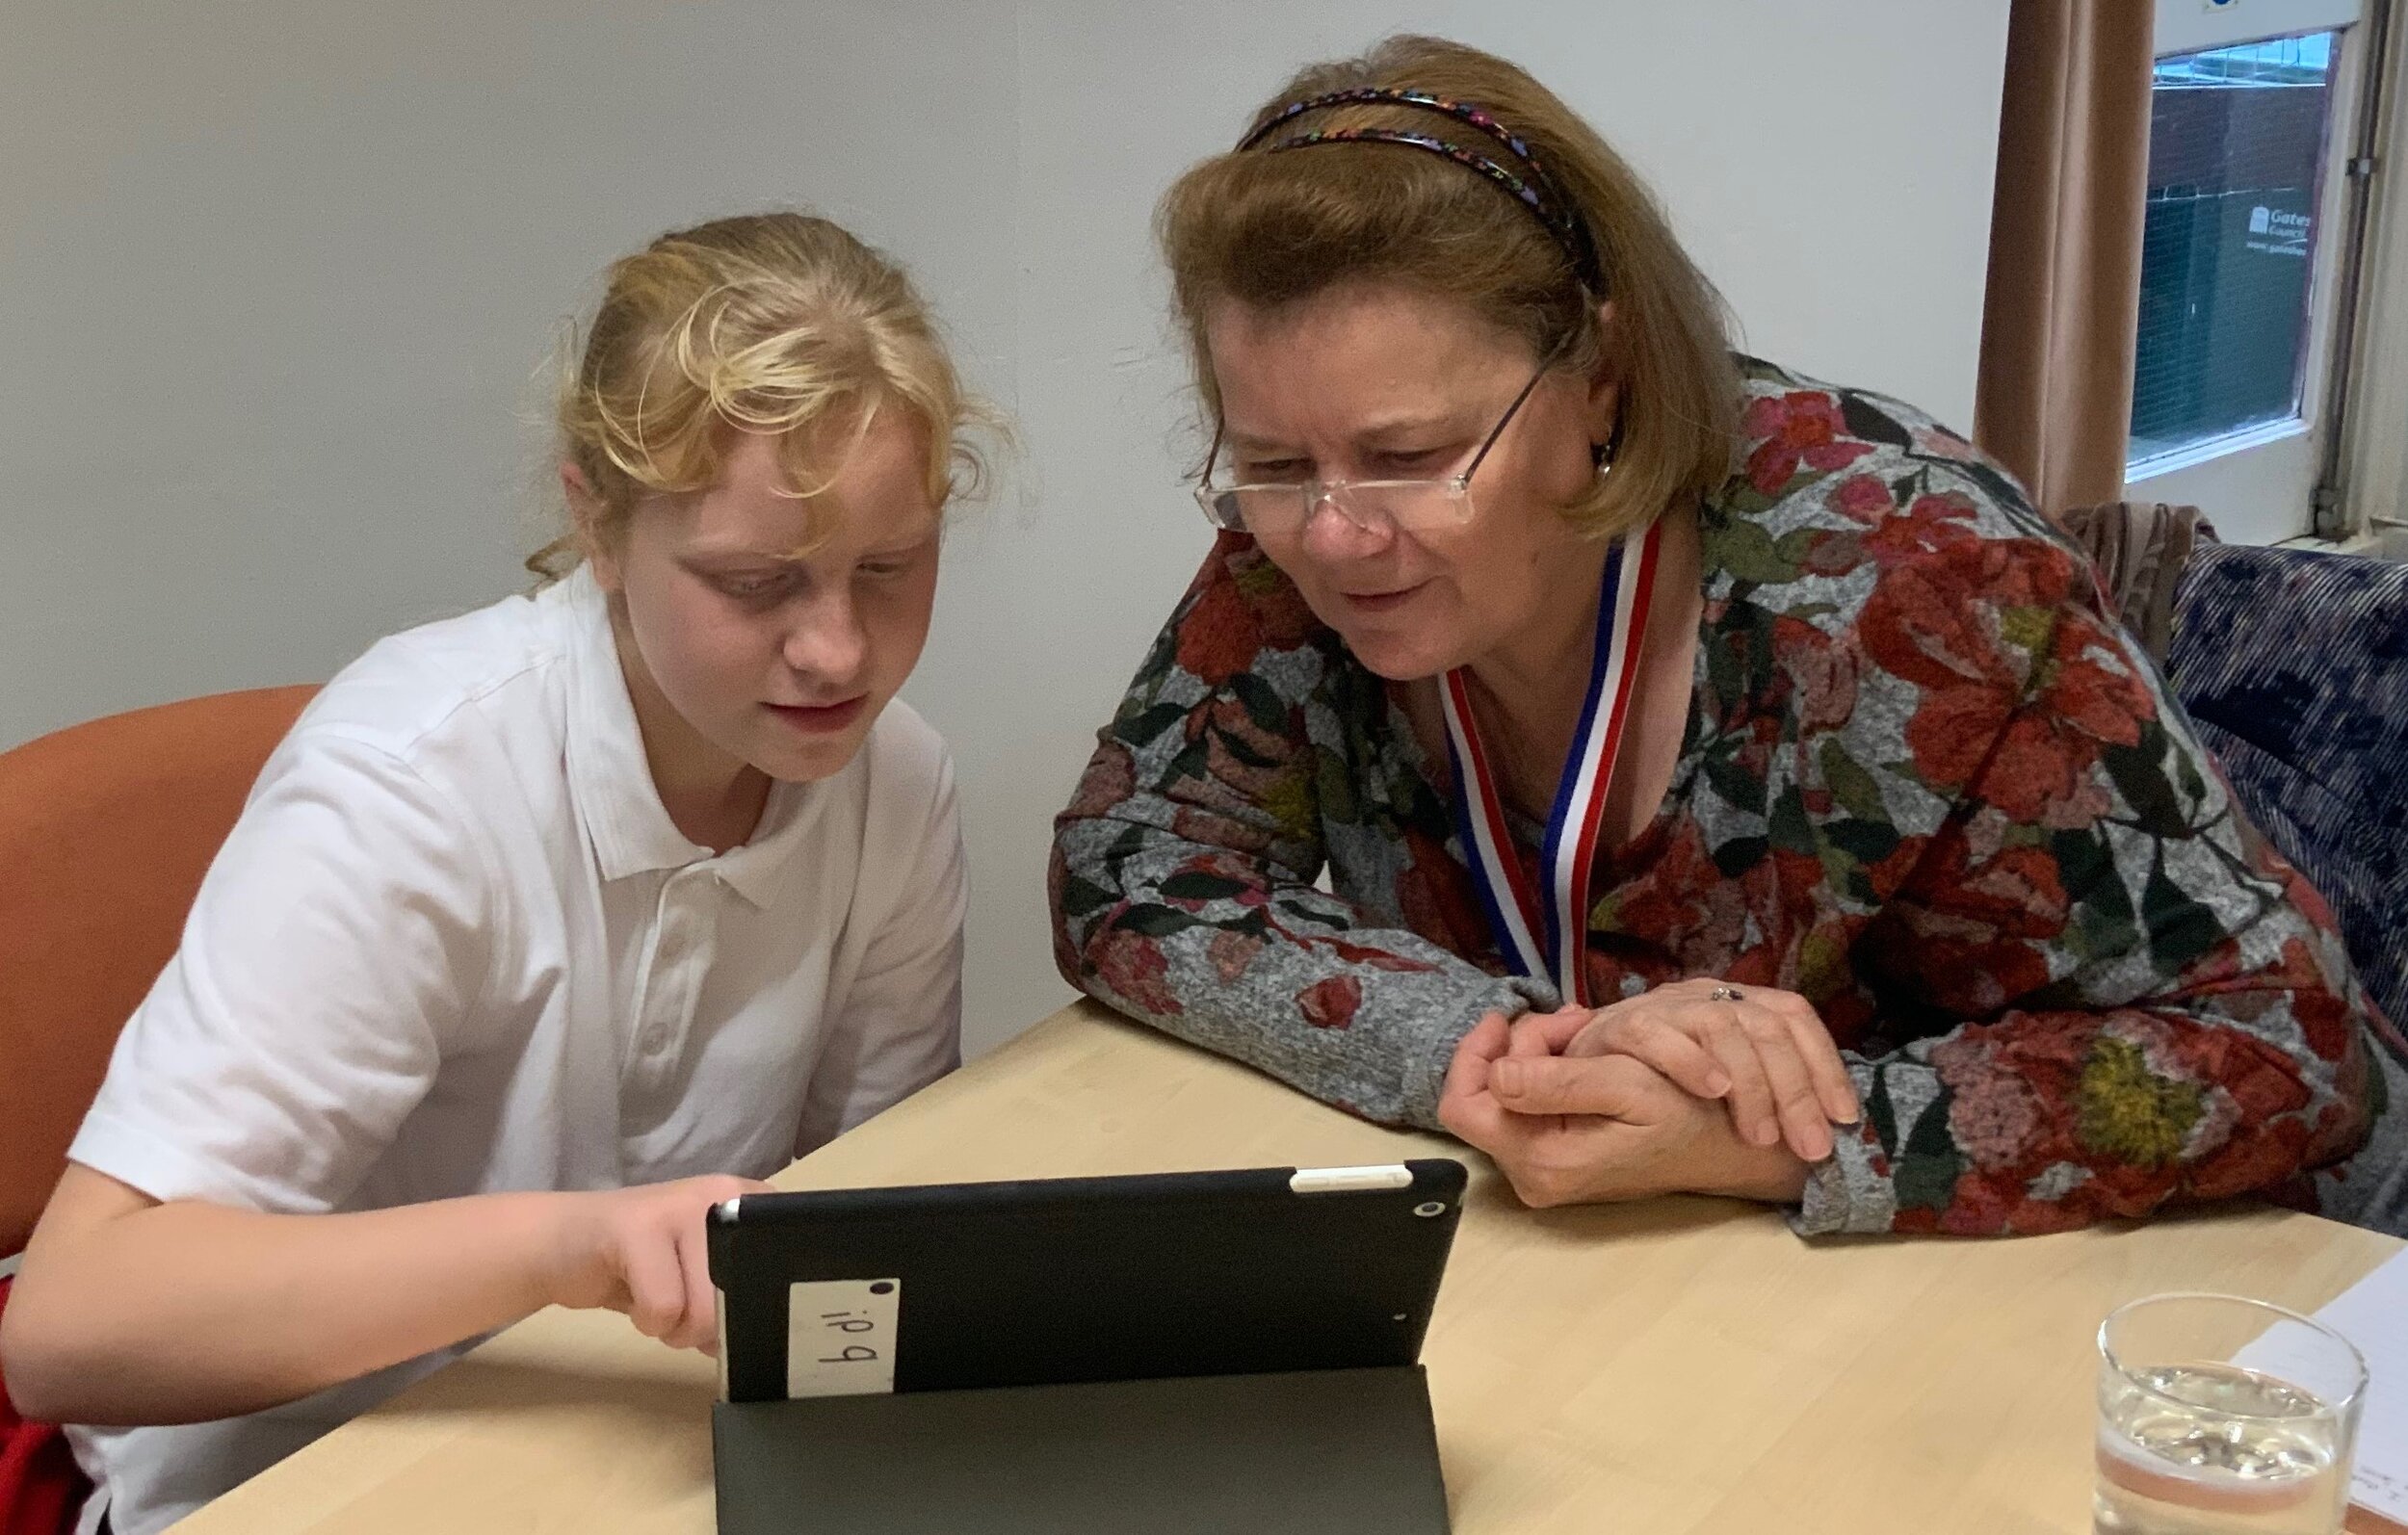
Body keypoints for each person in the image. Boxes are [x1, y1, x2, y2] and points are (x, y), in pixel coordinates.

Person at [1050, 36, 2406, 1241]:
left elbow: (2286, 1041)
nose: (1335, 534)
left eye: (1412, 453)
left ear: (1602, 377)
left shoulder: (1912, 578)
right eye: (1272, 460)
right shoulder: (1299, 545)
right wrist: (1483, 1039)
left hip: (2212, 1298)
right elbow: (1130, 860)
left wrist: (1768, 1137)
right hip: (1673, 1296)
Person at [0, 210, 990, 1535]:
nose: (836, 651)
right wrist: (572, 1245)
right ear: (599, 522)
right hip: (289, 1474)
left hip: (634, 1447)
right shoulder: (416, 779)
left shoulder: (897, 779)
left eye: (890, 566)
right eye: (754, 582)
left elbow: (863, 1216)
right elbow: (73, 1325)